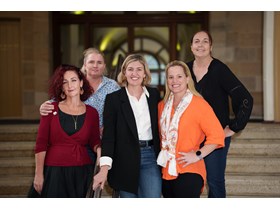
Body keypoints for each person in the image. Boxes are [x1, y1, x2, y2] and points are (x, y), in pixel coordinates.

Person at [186, 30, 254, 198]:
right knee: (189, 181)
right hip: (190, 136)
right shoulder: (185, 69)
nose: (200, 45)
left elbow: (245, 98)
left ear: (211, 46)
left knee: (215, 181)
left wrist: (233, 128)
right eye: (196, 41)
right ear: (191, 46)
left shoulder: (220, 69)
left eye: (205, 41)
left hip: (215, 136)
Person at [92, 54, 162, 198]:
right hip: (124, 158)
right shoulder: (113, 99)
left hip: (150, 156)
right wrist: (104, 168)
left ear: (144, 73)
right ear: (124, 72)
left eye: (139, 69)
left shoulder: (154, 95)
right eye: (130, 69)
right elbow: (109, 136)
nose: (134, 73)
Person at [28, 64, 101, 197]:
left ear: (81, 83)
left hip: (82, 172)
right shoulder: (50, 109)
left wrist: (99, 150)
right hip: (54, 171)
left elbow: (94, 140)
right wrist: (38, 174)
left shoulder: (92, 113)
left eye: (73, 80)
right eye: (64, 82)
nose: (70, 85)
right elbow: (41, 144)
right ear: (61, 87)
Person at [157, 60, 225, 198]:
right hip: (166, 170)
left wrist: (198, 155)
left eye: (179, 76)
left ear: (187, 78)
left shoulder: (199, 104)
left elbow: (217, 136)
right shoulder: (162, 106)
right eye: (171, 77)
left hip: (190, 169)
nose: (175, 81)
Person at [39, 48, 120, 162]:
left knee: (100, 176)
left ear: (104, 66)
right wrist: (45, 105)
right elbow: (57, 100)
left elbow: (120, 111)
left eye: (99, 62)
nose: (95, 65)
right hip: (78, 139)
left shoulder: (113, 86)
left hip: (103, 141)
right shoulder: (74, 81)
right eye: (91, 62)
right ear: (85, 64)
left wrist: (110, 127)